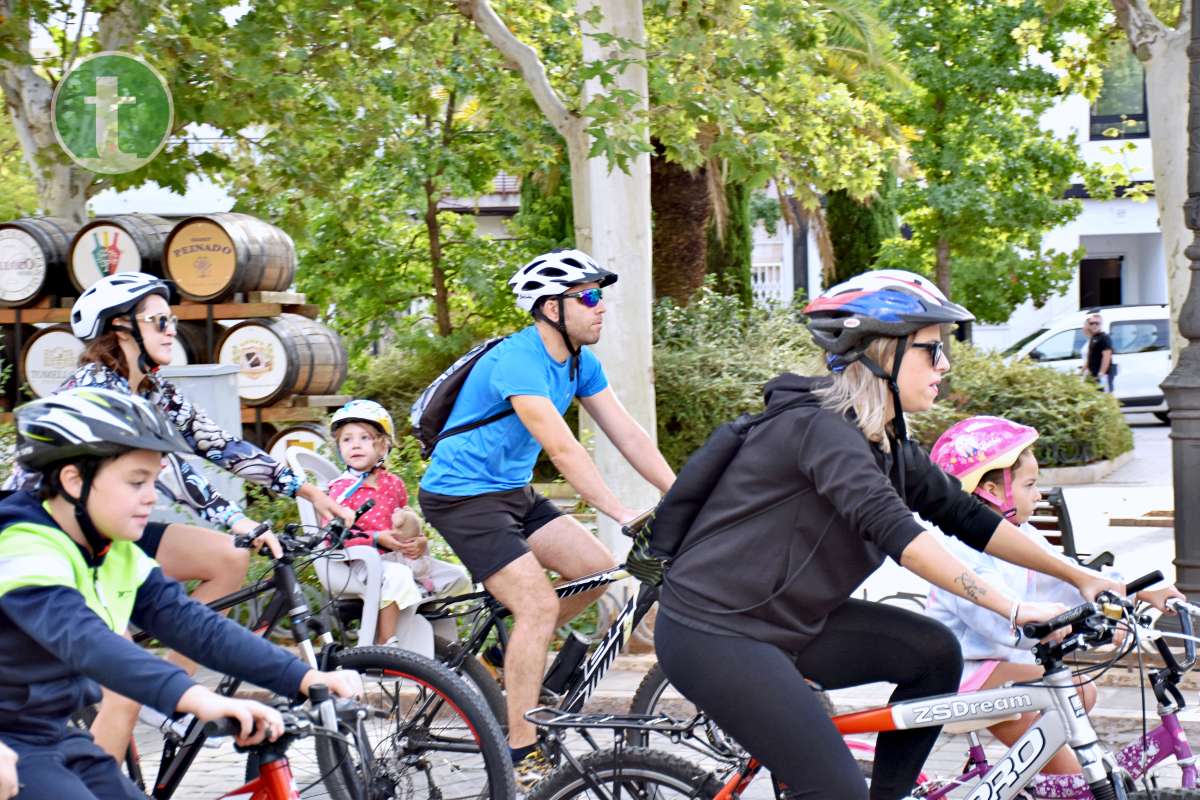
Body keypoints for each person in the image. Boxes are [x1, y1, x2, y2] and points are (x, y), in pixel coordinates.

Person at [652, 269, 1125, 800]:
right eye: (931, 349)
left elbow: (968, 517)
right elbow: (899, 534)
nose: (943, 364)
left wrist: (1080, 576)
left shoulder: (887, 442)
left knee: (932, 653)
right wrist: (1011, 608)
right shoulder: (820, 431)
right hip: (717, 634)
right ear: (879, 351)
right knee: (835, 791)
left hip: (793, 624)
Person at [2, 273, 355, 758]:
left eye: (170, 320)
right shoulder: (96, 392)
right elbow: (169, 475)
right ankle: (115, 750)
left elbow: (220, 446)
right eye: (159, 320)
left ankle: (172, 701)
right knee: (120, 685)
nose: (172, 329)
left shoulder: (155, 389)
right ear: (121, 329)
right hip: (58, 537)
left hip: (112, 526)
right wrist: (239, 520)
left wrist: (305, 488)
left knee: (226, 562)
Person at [0, 388, 362, 800]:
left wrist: (304, 677)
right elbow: (86, 641)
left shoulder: (111, 550)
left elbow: (194, 626)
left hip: (49, 736)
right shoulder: (22, 545)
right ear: (74, 480)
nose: (152, 496)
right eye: (137, 481)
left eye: (154, 480)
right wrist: (194, 698)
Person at [418, 249, 676, 784]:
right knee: (535, 605)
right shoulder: (518, 359)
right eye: (588, 296)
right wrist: (622, 511)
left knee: (596, 570)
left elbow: (627, 433)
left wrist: (683, 493)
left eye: (600, 295)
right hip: (461, 496)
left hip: (511, 490)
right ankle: (521, 752)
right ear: (550, 308)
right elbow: (563, 450)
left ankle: (514, 659)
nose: (600, 306)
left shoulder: (582, 361)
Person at [926, 415, 1182, 789]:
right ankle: (1053, 782)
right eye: (1030, 485)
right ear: (992, 492)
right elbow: (1002, 621)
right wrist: (1075, 623)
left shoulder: (1021, 534)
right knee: (1080, 778)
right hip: (961, 675)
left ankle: (1020, 780)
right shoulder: (959, 550)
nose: (1039, 495)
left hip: (997, 669)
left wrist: (1140, 591)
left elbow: (1070, 575)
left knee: (1081, 694)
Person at [319, 400, 469, 652]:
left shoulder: (394, 484)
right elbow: (333, 536)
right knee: (398, 577)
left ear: (382, 445)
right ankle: (385, 642)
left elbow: (407, 520)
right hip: (362, 561)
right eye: (346, 440)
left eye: (364, 438)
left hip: (400, 557)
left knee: (457, 578)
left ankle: (430, 623)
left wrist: (420, 542)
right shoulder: (341, 490)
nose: (354, 444)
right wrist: (377, 539)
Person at [1083, 312, 1115, 392]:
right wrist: (1083, 371)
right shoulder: (1093, 337)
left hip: (1101, 375)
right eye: (1091, 323)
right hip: (1093, 375)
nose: (1094, 325)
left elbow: (1106, 357)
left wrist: (1101, 373)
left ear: (1101, 324)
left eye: (1097, 323)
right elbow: (1090, 357)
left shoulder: (1104, 338)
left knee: (1103, 397)